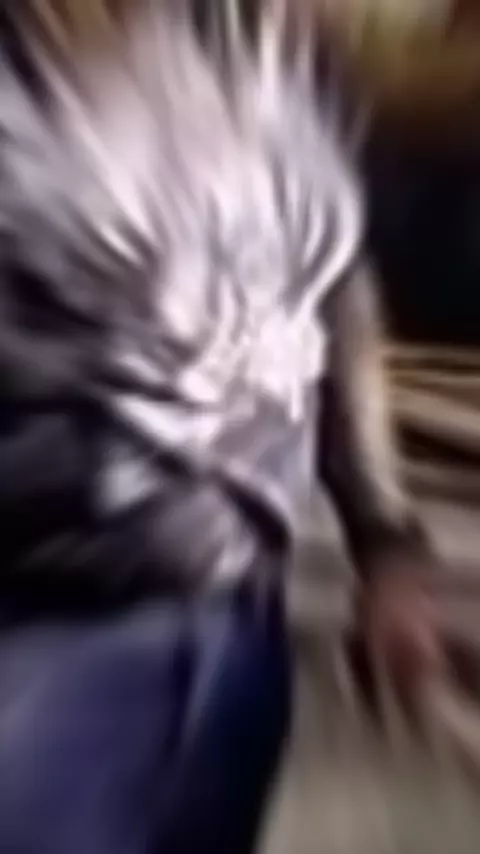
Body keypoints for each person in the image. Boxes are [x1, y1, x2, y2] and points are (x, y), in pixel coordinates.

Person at [0, 2, 444, 852]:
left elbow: (335, 298)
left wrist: (386, 544)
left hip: (238, 640)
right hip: (40, 644)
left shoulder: (263, 52)